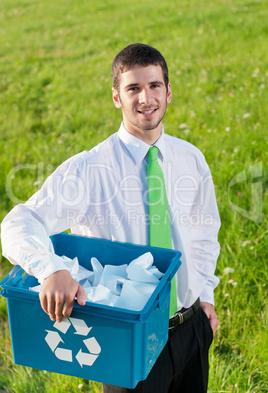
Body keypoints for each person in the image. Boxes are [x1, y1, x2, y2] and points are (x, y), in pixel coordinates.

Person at [1, 43, 221, 392]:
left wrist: (205, 295)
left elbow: (204, 232)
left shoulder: (190, 159)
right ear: (117, 97)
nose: (146, 98)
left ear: (168, 91)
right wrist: (50, 269)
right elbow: (17, 222)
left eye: (154, 86)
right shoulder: (89, 170)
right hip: (128, 339)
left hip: (191, 328)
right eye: (133, 88)